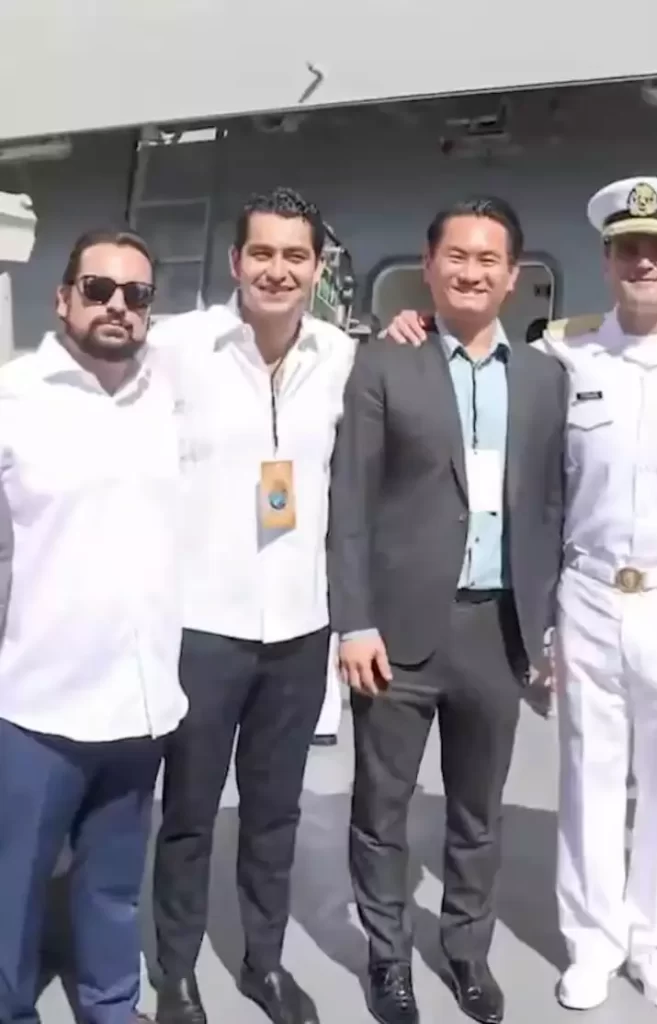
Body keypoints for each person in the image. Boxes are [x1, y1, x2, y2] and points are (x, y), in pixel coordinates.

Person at [383, 176, 657, 1013]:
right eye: (627, 248)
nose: (643, 262)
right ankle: (591, 941)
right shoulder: (565, 354)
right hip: (588, 592)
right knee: (587, 774)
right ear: (606, 261)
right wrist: (417, 326)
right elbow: (482, 366)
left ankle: (653, 939)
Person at [328, 197, 566, 1024]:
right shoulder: (384, 364)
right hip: (396, 634)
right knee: (380, 810)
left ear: (512, 276)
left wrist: (545, 623)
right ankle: (388, 958)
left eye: (487, 259)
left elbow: (549, 506)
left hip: (496, 631)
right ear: (428, 268)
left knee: (477, 813)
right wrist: (354, 621)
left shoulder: (543, 378)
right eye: (455, 257)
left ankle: (466, 950)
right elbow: (350, 501)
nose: (471, 271)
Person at [150, 188, 358, 1024]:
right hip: (202, 626)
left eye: (294, 255)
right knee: (189, 815)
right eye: (262, 253)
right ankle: (175, 975)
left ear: (316, 267)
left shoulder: (341, 355)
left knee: (274, 814)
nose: (277, 270)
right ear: (235, 261)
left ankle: (262, 964)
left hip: (298, 629)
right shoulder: (176, 347)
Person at [0, 228, 188, 1024]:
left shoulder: (168, 396)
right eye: (98, 289)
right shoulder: (14, 398)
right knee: (12, 890)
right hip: (38, 702)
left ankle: (113, 1006)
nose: (117, 306)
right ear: (62, 298)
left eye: (136, 295)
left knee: (113, 885)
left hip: (139, 703)